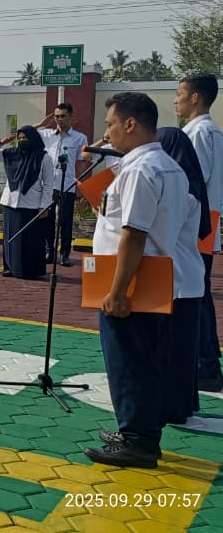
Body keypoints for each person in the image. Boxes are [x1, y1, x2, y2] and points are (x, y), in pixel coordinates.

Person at [85, 92, 204, 468]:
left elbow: (134, 235)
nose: (107, 133)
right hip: (153, 276)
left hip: (133, 282)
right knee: (144, 360)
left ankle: (138, 441)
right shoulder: (166, 166)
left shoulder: (141, 170)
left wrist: (118, 291)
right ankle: (139, 431)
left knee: (130, 362)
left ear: (131, 124)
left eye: (110, 125)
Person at [154, 126, 213, 424]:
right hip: (186, 276)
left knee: (175, 350)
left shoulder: (182, 192)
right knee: (181, 350)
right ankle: (180, 404)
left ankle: (173, 407)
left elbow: (159, 228)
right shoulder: (190, 187)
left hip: (176, 279)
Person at [176, 72, 223, 393]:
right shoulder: (207, 131)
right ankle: (204, 363)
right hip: (205, 220)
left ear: (196, 97)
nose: (176, 100)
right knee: (199, 294)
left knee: (197, 297)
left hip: (197, 222)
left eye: (180, 94)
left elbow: (195, 178)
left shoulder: (201, 132)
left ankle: (206, 365)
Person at [0, 127, 53, 279]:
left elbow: (48, 185)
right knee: (11, 239)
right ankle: (10, 267)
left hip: (31, 205)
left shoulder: (44, 158)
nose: (22, 141)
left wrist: (44, 206)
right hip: (10, 203)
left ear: (33, 139)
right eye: (20, 138)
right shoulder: (11, 154)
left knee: (29, 240)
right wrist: (2, 142)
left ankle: (31, 271)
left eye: (25, 138)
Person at [37, 103, 89, 266]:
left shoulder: (80, 138)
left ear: (71, 117)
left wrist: (80, 184)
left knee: (65, 221)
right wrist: (41, 124)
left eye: (63, 116)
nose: (59, 119)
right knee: (47, 219)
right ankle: (49, 252)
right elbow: (24, 132)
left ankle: (65, 254)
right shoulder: (46, 134)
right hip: (48, 184)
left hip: (67, 183)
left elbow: (82, 162)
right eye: (57, 116)